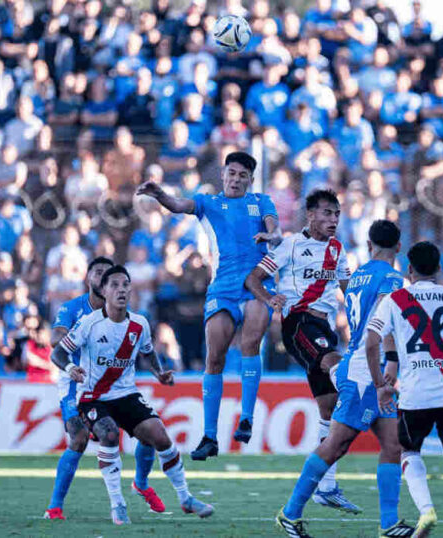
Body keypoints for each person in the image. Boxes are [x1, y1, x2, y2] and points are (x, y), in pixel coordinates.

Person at [137, 151, 280, 459]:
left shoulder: (261, 201)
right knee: (213, 358)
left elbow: (273, 224)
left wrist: (274, 233)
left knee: (251, 343)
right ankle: (210, 436)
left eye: (243, 175)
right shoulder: (208, 202)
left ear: (250, 180)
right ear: (224, 174)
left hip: (258, 282)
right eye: (232, 173)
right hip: (223, 287)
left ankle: (246, 417)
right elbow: (177, 205)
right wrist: (158, 192)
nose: (236, 179)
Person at [275, 220, 414, 538]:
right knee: (336, 444)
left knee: (393, 445)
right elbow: (383, 325)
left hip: (366, 365)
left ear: (369, 245)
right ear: (399, 247)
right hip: (367, 372)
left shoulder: (358, 275)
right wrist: (386, 374)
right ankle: (289, 514)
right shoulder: (393, 279)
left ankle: (389, 524)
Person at [50, 266, 214, 525]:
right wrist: (71, 369)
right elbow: (57, 353)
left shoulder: (140, 324)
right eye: (114, 285)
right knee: (109, 434)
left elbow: (147, 352)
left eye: (125, 285)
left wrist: (159, 373)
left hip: (126, 395)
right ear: (104, 291)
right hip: (92, 397)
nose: (121, 290)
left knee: (160, 436)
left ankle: (185, 498)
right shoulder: (89, 324)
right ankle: (118, 504)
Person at [366, 241, 443, 538]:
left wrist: (380, 385)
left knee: (408, 452)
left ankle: (426, 511)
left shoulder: (395, 300)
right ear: (438, 269)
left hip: (414, 395)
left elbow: (371, 342)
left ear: (409, 269)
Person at [246, 188, 357, 513]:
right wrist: (269, 300)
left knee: (330, 408)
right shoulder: (291, 244)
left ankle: (327, 486)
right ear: (311, 215)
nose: (333, 219)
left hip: (325, 328)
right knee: (336, 366)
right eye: (326, 213)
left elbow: (349, 291)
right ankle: (366, 397)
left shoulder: (338, 250)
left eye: (336, 214)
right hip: (298, 324)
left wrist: (359, 319)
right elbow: (254, 278)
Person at [43, 257, 163, 521]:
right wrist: (83, 332)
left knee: (148, 431)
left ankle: (141, 484)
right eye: (98, 273)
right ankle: (54, 506)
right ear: (89, 278)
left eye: (108, 275)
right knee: (78, 436)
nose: (103, 279)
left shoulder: (124, 314)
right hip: (75, 381)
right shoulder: (75, 309)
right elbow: (55, 340)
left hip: (115, 383)